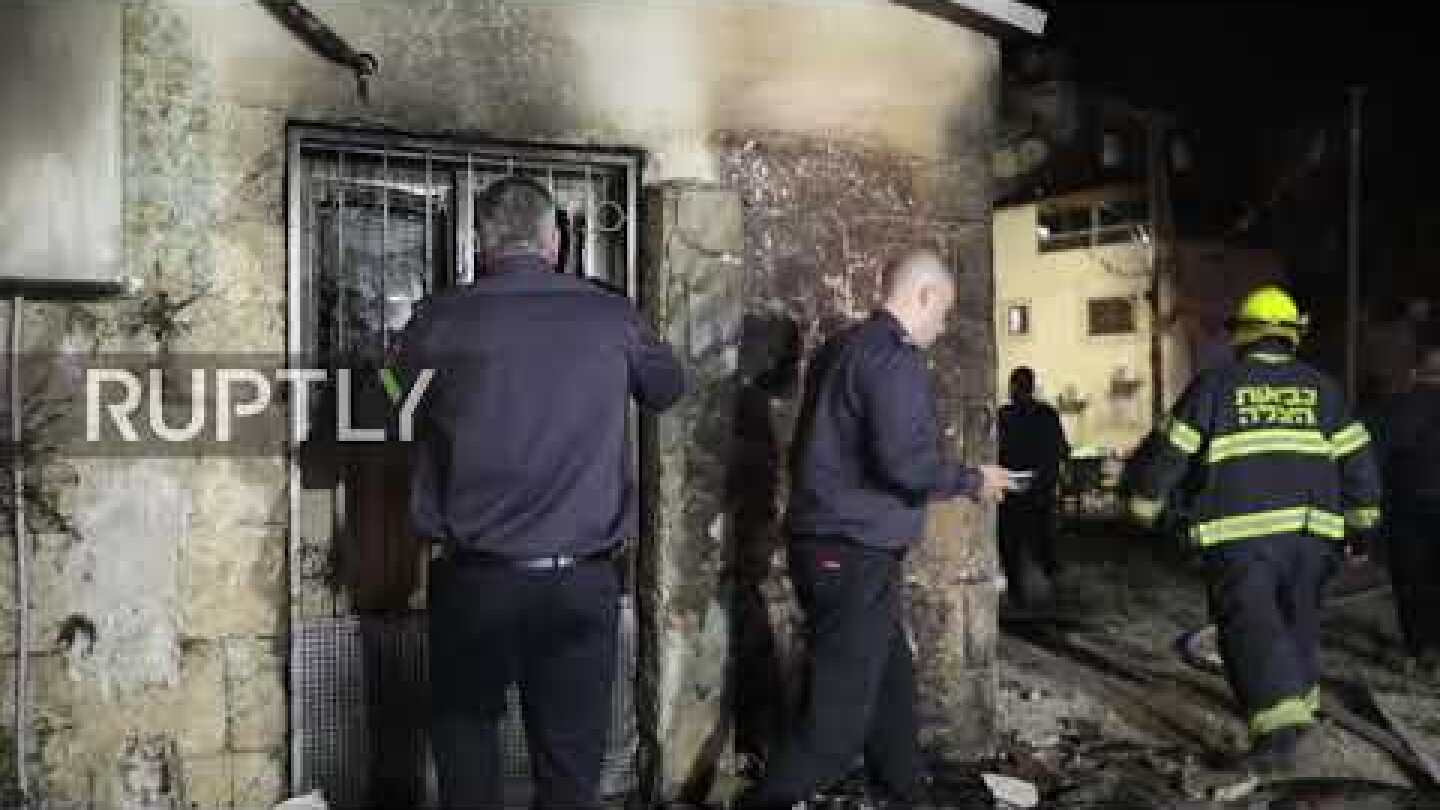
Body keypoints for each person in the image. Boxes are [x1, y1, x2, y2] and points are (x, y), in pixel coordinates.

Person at [400, 176, 684, 808]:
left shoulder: (439, 320)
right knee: (568, 770)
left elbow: (388, 408)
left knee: (468, 762)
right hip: (581, 585)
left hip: (476, 582)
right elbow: (667, 389)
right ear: (555, 240)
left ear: (481, 240)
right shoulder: (613, 317)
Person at [738, 249, 1015, 809]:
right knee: (835, 731)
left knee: (892, 691)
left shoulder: (842, 348)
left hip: (841, 548)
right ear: (923, 295)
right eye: (943, 313)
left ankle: (907, 793)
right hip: (852, 551)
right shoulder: (893, 358)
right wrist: (971, 479)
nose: (941, 329)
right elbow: (905, 464)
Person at [1125, 285, 1382, 774]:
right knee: (1296, 622)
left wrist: (1144, 505)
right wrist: (1362, 525)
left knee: (1251, 625)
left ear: (1243, 337)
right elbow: (1359, 465)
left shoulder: (1215, 387)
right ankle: (1302, 711)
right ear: (1292, 337)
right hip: (1313, 539)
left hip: (1240, 539)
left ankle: (1281, 732)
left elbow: (1170, 454)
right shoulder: (1324, 390)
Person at [1372, 338, 1440, 676]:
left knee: (1412, 581)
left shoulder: (1399, 408)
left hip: (1408, 507)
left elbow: (1374, 455)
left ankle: (1419, 648)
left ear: (1416, 372)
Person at [997, 366, 1070, 607]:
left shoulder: (1004, 416)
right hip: (1038, 489)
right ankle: (1051, 591)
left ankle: (1020, 592)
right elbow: (1061, 449)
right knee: (1042, 539)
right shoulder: (1046, 414)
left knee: (1012, 542)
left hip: (1013, 490)